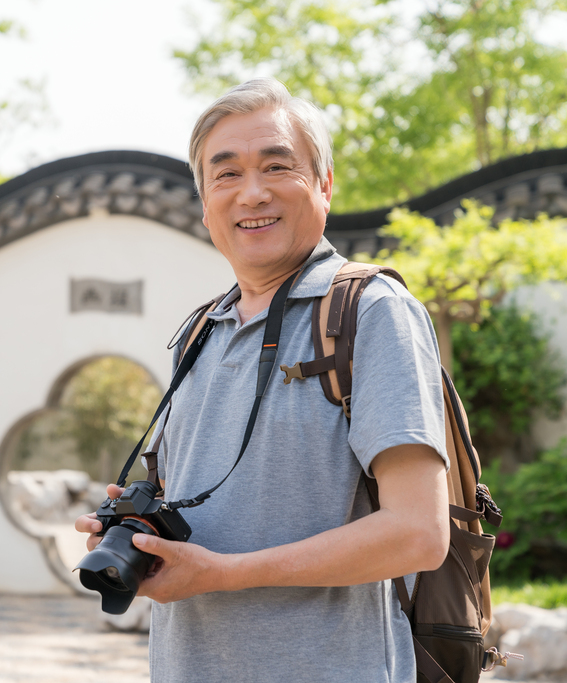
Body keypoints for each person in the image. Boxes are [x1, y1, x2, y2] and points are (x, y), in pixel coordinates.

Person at [74, 78, 450, 682]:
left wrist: (224, 573)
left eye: (277, 166)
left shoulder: (369, 311)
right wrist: (140, 535)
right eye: (225, 174)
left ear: (323, 185)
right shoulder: (199, 332)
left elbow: (417, 534)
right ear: (204, 203)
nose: (251, 193)